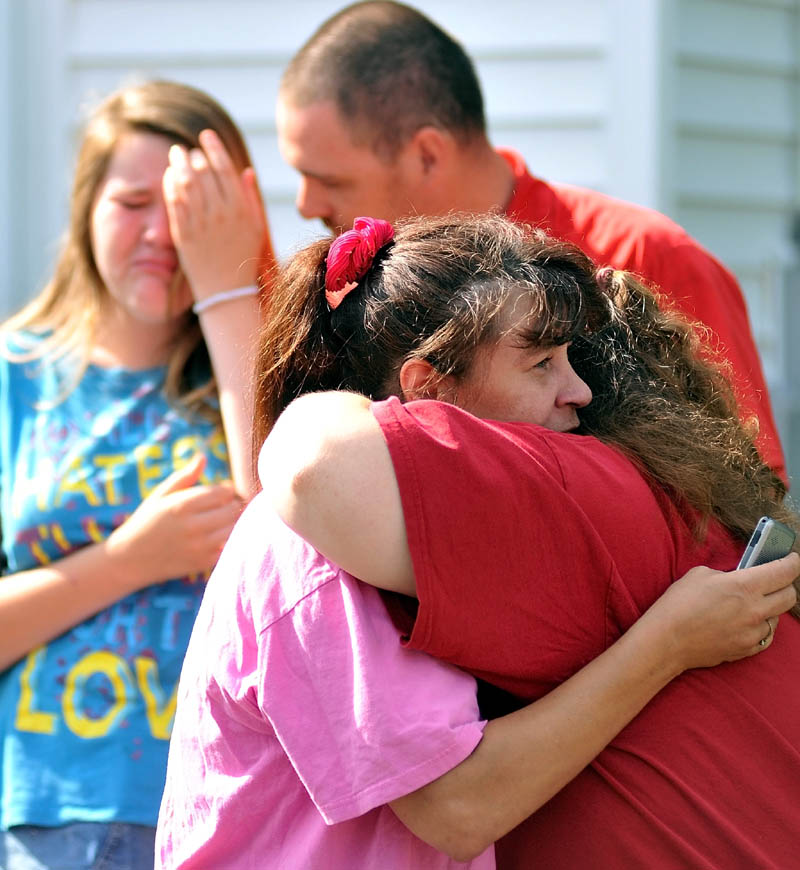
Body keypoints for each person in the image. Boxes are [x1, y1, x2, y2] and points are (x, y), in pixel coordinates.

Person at [156, 214, 799, 868]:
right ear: (428, 388)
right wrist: (670, 641)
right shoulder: (316, 550)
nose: (578, 392)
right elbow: (457, 810)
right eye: (541, 363)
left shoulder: (418, 527)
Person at [275, 0, 787, 481]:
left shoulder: (641, 256)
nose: (305, 206)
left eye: (330, 181)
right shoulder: (353, 286)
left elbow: (744, 496)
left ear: (428, 154)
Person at [0, 80, 273, 869]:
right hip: (45, 818)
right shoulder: (17, 375)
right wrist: (129, 562)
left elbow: (287, 536)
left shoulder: (259, 371)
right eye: (131, 203)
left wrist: (229, 289)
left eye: (188, 211)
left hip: (224, 811)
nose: (160, 234)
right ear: (85, 209)